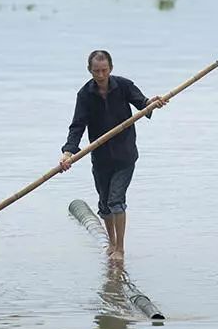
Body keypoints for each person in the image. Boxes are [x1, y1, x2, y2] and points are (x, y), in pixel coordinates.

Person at [59, 50, 166, 260]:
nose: (100, 75)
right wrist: (68, 152)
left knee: (116, 200)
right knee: (104, 204)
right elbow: (77, 126)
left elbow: (142, 103)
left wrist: (151, 103)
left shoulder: (124, 86)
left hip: (125, 155)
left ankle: (120, 249)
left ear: (111, 69)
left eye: (104, 70)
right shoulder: (85, 95)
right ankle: (112, 242)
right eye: (96, 71)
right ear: (89, 71)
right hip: (100, 157)